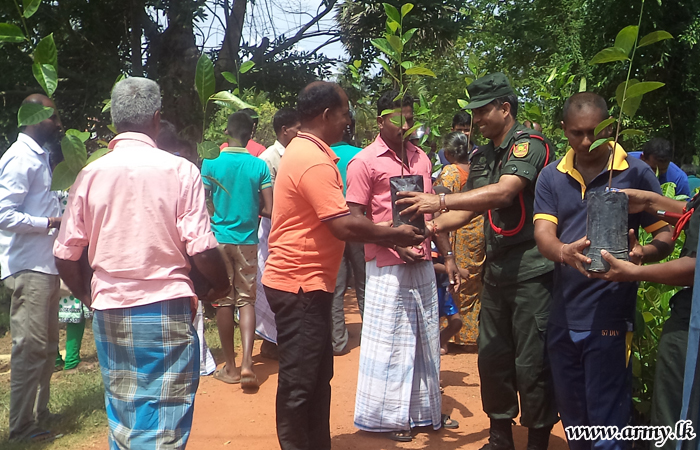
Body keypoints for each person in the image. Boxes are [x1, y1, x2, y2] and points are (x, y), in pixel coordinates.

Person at [53, 77, 230, 449]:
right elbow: (201, 248)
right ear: (156, 118)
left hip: (110, 310)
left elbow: (66, 252)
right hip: (165, 306)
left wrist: (89, 296)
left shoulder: (90, 175)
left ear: (115, 120)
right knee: (164, 420)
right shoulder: (180, 171)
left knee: (124, 414)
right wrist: (221, 286)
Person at [396, 73, 558, 450]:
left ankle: (537, 439)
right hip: (497, 271)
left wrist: (440, 200)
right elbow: (469, 209)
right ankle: (500, 437)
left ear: (505, 108)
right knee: (493, 357)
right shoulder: (482, 155)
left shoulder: (529, 145)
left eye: (484, 111)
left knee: (532, 362)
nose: (477, 120)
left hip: (533, 272)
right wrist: (430, 226)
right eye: (475, 113)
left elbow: (504, 193)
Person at [262, 81, 425, 450]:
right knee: (300, 383)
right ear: (326, 115)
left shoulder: (307, 152)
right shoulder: (312, 159)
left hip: (308, 283)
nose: (348, 120)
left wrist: (389, 230)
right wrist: (394, 234)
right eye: (345, 113)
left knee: (317, 377)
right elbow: (343, 225)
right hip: (299, 284)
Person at [533, 92, 673, 450]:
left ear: (610, 129)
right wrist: (564, 252)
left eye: (594, 132)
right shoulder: (551, 176)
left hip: (611, 314)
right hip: (565, 315)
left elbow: (666, 234)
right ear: (563, 129)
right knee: (575, 420)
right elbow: (544, 235)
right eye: (577, 133)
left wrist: (643, 253)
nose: (586, 142)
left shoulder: (636, 172)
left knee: (608, 421)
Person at [348, 90, 459, 442]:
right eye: (398, 119)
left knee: (426, 336)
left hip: (422, 259)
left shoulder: (421, 158)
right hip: (386, 264)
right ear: (381, 120)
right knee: (390, 340)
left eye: (410, 119)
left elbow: (431, 212)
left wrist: (448, 256)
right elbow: (355, 219)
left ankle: (424, 411)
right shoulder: (364, 162)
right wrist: (392, 241)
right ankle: (388, 418)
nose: (405, 126)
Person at [590, 188, 697, 450]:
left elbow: (694, 269)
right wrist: (649, 201)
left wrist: (632, 272)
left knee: (677, 415)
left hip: (693, 321)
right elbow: (692, 213)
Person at [0, 94, 63, 443]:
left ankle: (39, 415)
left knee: (47, 347)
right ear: (38, 117)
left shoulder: (39, 157)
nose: (59, 125)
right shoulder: (19, 158)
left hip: (44, 264)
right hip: (28, 266)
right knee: (30, 347)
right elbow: (3, 214)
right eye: (54, 118)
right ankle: (21, 427)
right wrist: (48, 223)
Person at [202, 111, 272, 389]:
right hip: (247, 240)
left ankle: (230, 367)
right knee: (246, 300)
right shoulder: (259, 166)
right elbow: (269, 208)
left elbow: (201, 201)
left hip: (219, 239)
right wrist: (251, 208)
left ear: (226, 132)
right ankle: (247, 364)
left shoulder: (211, 163)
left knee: (223, 300)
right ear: (250, 134)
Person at [255, 107, 301, 359]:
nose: (301, 133)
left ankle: (285, 338)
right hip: (273, 228)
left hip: (292, 228)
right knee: (271, 283)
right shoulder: (269, 158)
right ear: (285, 130)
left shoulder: (298, 154)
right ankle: (271, 341)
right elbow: (267, 203)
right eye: (298, 129)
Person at [433, 131, 485, 351]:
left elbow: (438, 202)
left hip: (457, 231)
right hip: (478, 230)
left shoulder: (450, 172)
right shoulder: (476, 170)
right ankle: (470, 334)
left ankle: (451, 335)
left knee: (454, 282)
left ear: (448, 153)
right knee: (473, 282)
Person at [330, 117, 366, 355]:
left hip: (333, 226)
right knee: (364, 281)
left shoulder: (323, 156)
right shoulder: (361, 156)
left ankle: (338, 340)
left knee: (337, 285)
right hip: (360, 225)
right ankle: (371, 334)